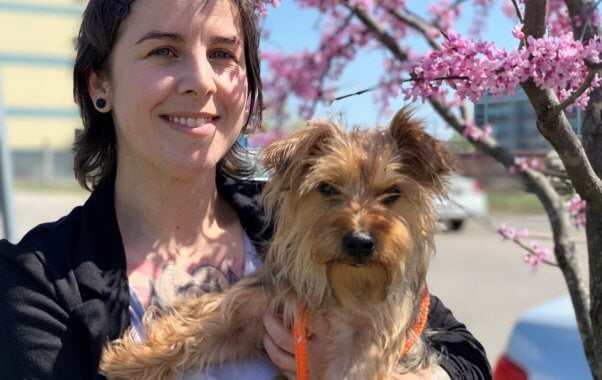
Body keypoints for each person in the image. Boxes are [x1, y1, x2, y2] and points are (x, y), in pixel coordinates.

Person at [0, 0, 492, 378]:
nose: (200, 81)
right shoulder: (34, 284)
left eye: (221, 54)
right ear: (98, 85)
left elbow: (467, 358)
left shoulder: (287, 221)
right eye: (163, 50)